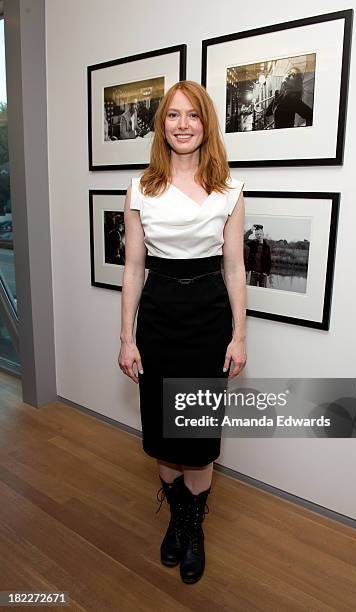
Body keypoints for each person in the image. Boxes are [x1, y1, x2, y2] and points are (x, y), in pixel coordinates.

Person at [118, 80, 247, 584]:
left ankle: (193, 528)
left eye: (192, 115)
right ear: (162, 125)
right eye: (173, 115)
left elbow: (235, 268)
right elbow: (133, 268)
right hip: (159, 314)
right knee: (165, 433)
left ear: (206, 123)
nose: (183, 124)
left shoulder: (229, 189)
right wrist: (126, 338)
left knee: (197, 435)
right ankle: (177, 517)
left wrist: (239, 335)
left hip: (209, 315)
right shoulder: (140, 188)